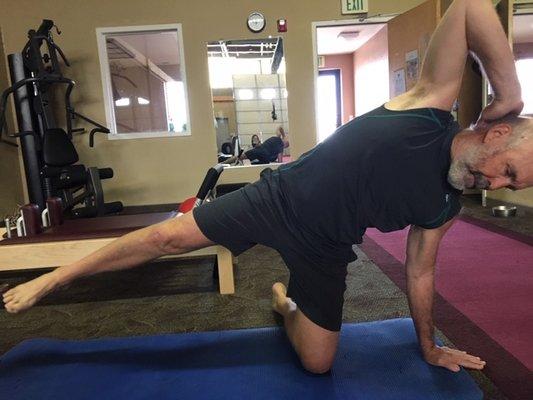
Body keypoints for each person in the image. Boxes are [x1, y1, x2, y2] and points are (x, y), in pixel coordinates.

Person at [3, 0, 532, 375]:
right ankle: (55, 277)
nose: (498, 184)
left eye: (511, 185)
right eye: (508, 170)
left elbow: (420, 271)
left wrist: (428, 347)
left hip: (326, 247)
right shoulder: (429, 103)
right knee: (168, 238)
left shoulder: (444, 205)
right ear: (500, 131)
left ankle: (284, 304)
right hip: (277, 199)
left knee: (318, 365)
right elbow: (468, 5)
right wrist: (509, 89)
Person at [224, 126, 289, 165]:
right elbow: (280, 162)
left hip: (261, 152)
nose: (285, 147)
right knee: (241, 158)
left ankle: (224, 163)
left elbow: (279, 128)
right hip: (264, 156)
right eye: (286, 145)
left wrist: (283, 135)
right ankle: (224, 163)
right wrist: (283, 135)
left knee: (239, 157)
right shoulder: (280, 145)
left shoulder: (278, 139)